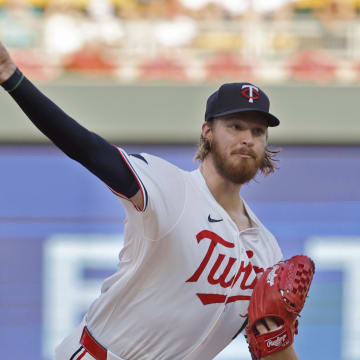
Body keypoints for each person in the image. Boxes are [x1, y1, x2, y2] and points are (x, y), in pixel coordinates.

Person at [0, 41, 300, 360]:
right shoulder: (169, 187)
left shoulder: (267, 252)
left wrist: (279, 338)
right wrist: (13, 79)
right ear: (207, 131)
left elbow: (271, 351)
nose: (247, 139)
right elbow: (87, 149)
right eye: (235, 126)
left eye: (257, 131)